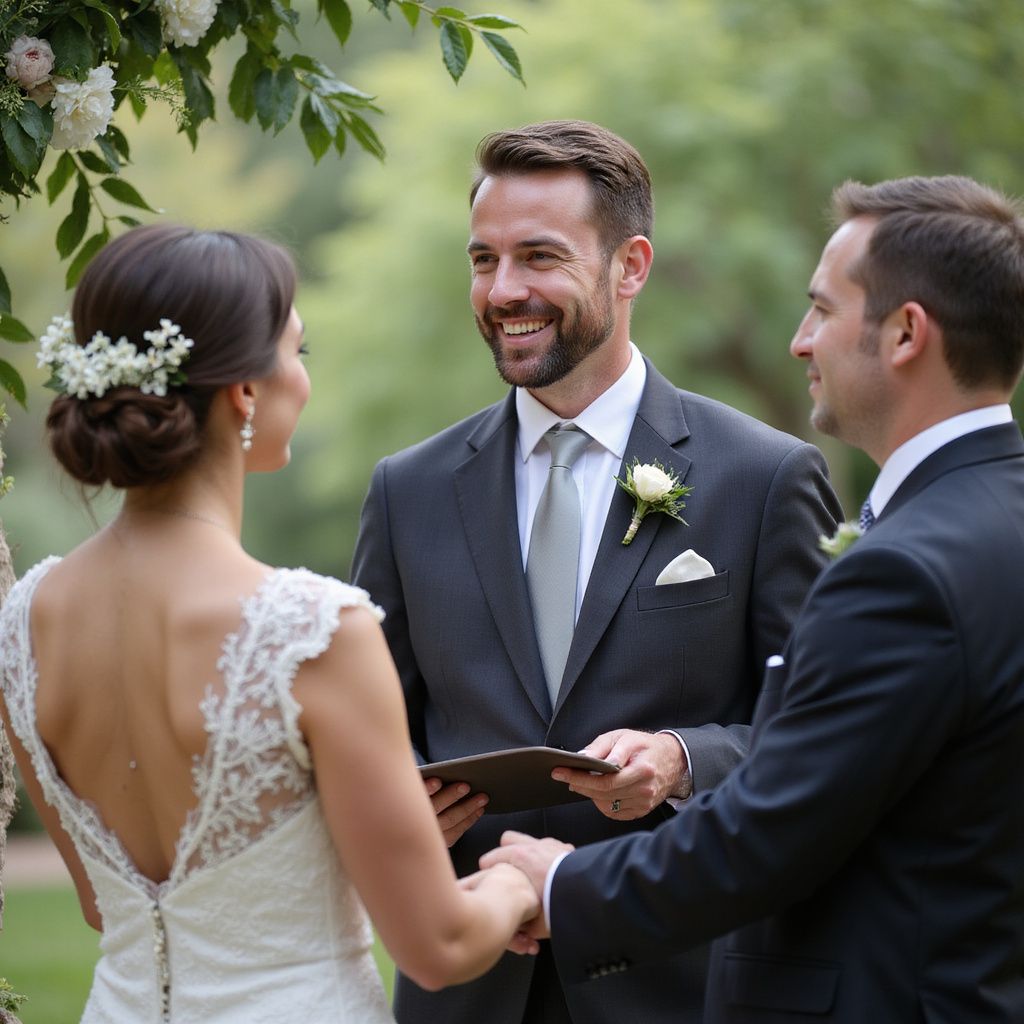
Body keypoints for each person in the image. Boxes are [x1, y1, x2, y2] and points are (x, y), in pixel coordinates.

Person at [484, 174, 1024, 1021]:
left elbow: (774, 831)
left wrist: (563, 885)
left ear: (907, 333)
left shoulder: (904, 573)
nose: (800, 342)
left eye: (822, 309)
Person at [351, 119, 842, 1024]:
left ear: (632, 266)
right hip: (466, 983)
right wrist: (399, 812)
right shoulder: (407, 489)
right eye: (482, 259)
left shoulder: (765, 477)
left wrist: (685, 758)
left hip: (682, 982)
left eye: (539, 256)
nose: (503, 291)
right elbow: (370, 727)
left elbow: (823, 736)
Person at [0, 224, 538, 1024]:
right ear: (245, 393)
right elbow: (439, 945)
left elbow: (109, 904)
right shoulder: (313, 630)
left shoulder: (22, 623)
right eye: (298, 352)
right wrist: (519, 881)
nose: (304, 379)